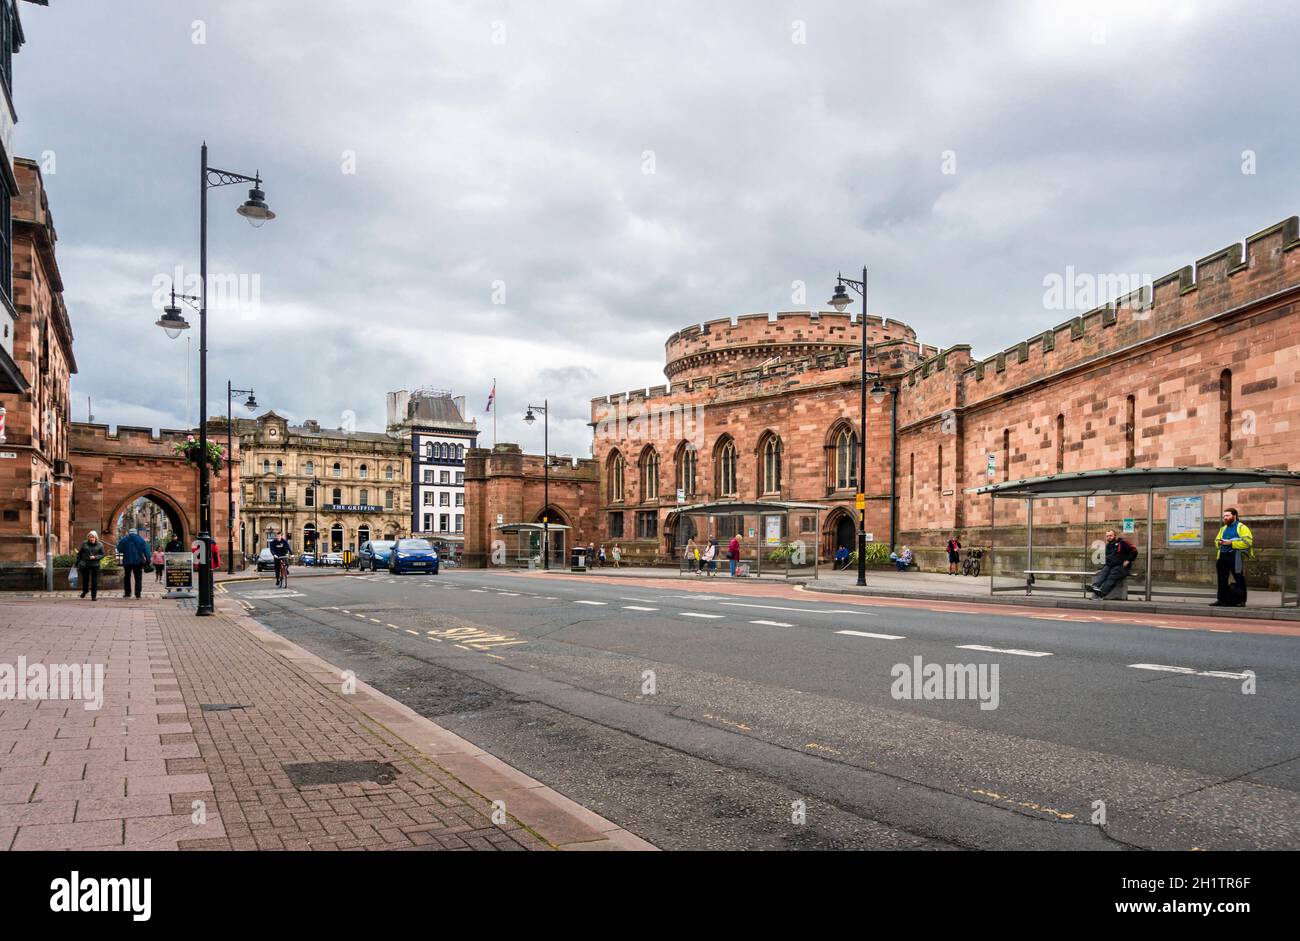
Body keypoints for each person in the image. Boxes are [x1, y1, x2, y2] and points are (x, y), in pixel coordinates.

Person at [1212, 507, 1253, 607]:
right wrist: (1220, 542)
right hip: (1222, 556)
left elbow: (1248, 542)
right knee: (1221, 579)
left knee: (1239, 578)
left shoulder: (1242, 527)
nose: (1225, 518)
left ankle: (1241, 601)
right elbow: (1216, 541)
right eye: (1224, 516)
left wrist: (1231, 543)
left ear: (1234, 516)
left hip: (1235, 556)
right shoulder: (1223, 528)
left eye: (1227, 515)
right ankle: (1221, 600)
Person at [1091, 529, 1137, 600]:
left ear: (1114, 536)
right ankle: (1095, 586)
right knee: (1104, 571)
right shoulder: (1108, 546)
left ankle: (1101, 594)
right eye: (1107, 536)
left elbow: (1134, 550)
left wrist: (1128, 560)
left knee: (1112, 576)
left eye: (1110, 535)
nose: (1109, 537)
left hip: (1122, 567)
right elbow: (1108, 559)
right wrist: (1102, 569)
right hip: (1111, 566)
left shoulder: (1122, 542)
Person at [118, 527, 150, 599]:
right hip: (137, 561)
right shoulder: (141, 539)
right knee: (138, 578)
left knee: (127, 577)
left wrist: (125, 551)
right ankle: (138, 594)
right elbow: (146, 550)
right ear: (136, 533)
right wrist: (148, 560)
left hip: (127, 561)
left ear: (129, 532)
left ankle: (127, 593)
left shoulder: (124, 539)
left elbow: (119, 549)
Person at [76, 531, 105, 601]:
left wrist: (95, 557)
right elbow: (80, 554)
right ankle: (85, 591)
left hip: (95, 565)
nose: (91, 538)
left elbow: (102, 554)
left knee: (94, 580)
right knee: (85, 579)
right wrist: (76, 562)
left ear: (95, 537)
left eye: (92, 537)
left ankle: (93, 596)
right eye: (90, 537)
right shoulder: (84, 543)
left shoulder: (100, 545)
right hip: (85, 564)